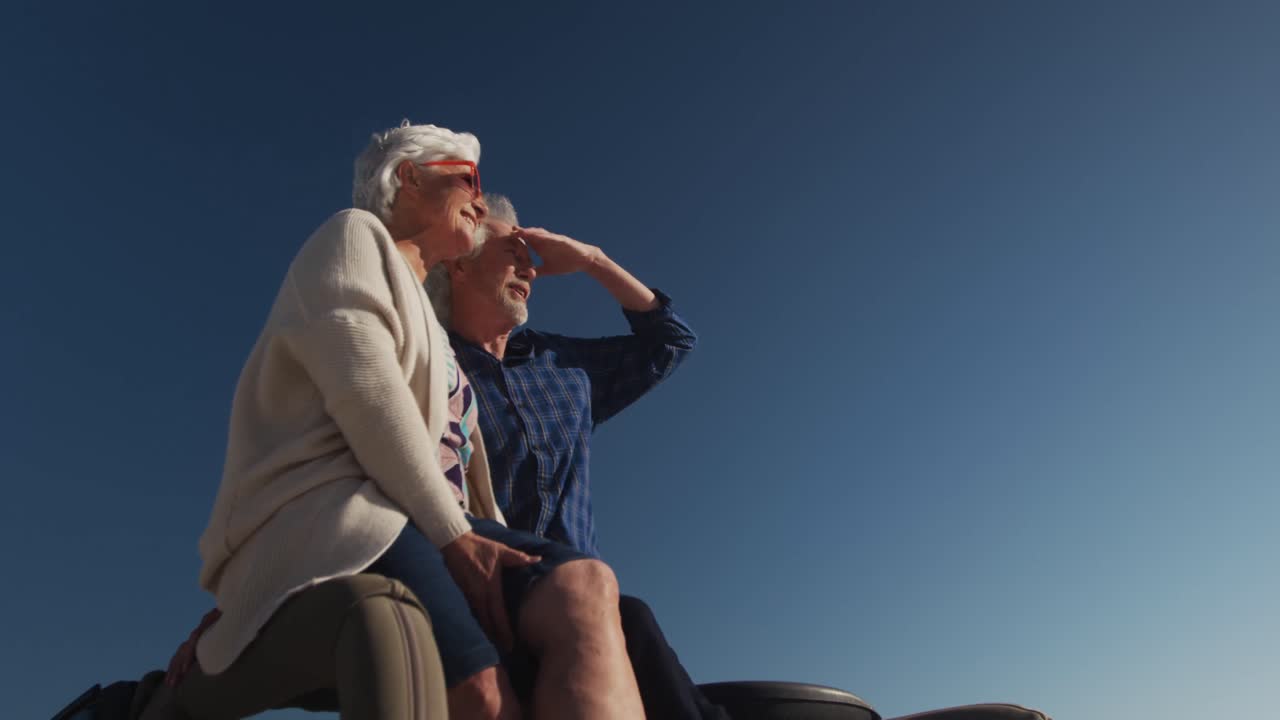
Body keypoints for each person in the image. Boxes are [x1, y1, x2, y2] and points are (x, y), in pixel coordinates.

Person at [110, 121, 643, 720]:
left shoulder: (439, 338)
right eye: (467, 178)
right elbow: (368, 394)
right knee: (486, 698)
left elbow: (459, 473)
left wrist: (485, 538)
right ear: (408, 179)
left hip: (424, 523)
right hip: (350, 512)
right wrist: (457, 536)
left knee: (584, 586)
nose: (478, 196)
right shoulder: (355, 236)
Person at [425, 194, 719, 719]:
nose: (530, 268)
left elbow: (672, 341)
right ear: (459, 262)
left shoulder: (562, 365)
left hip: (583, 608)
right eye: (510, 249)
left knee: (635, 624)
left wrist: (592, 261)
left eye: (530, 255)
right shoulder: (428, 366)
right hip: (476, 599)